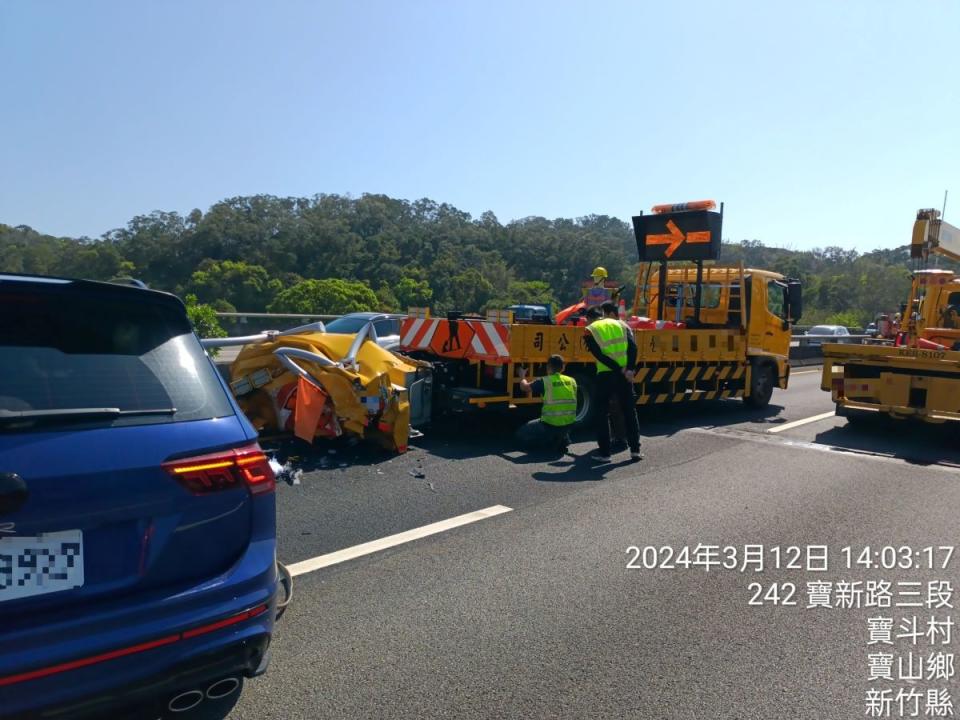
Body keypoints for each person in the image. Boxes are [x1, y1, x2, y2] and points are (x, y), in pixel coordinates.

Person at [584, 303, 642, 462]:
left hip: (605, 375)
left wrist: (618, 369)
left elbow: (600, 356)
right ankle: (635, 451)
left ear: (589, 318)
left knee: (601, 413)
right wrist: (629, 369)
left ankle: (605, 454)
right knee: (630, 411)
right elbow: (633, 348)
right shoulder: (622, 324)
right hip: (625, 376)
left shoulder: (590, 330)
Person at [516, 355, 578, 455]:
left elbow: (525, 387)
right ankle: (563, 438)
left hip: (550, 424)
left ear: (548, 367)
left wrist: (522, 375)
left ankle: (548, 442)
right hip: (569, 424)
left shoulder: (545, 381)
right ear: (563, 367)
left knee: (521, 433)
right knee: (560, 427)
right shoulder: (572, 381)